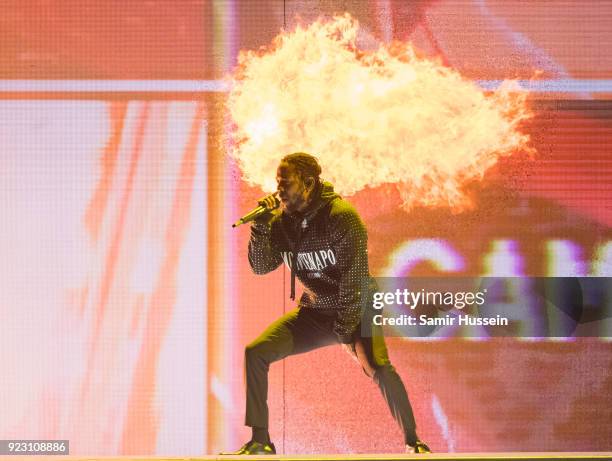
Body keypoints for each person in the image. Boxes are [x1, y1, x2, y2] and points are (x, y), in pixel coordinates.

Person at [223, 152, 430, 455]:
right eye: (277, 184)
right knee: (256, 352)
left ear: (308, 183)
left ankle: (414, 442)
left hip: (357, 307)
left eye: (286, 184)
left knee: (378, 367)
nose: (279, 191)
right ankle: (260, 441)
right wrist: (262, 227)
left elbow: (355, 280)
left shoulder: (341, 217)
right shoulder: (283, 222)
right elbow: (260, 266)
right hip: (316, 310)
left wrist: (346, 332)